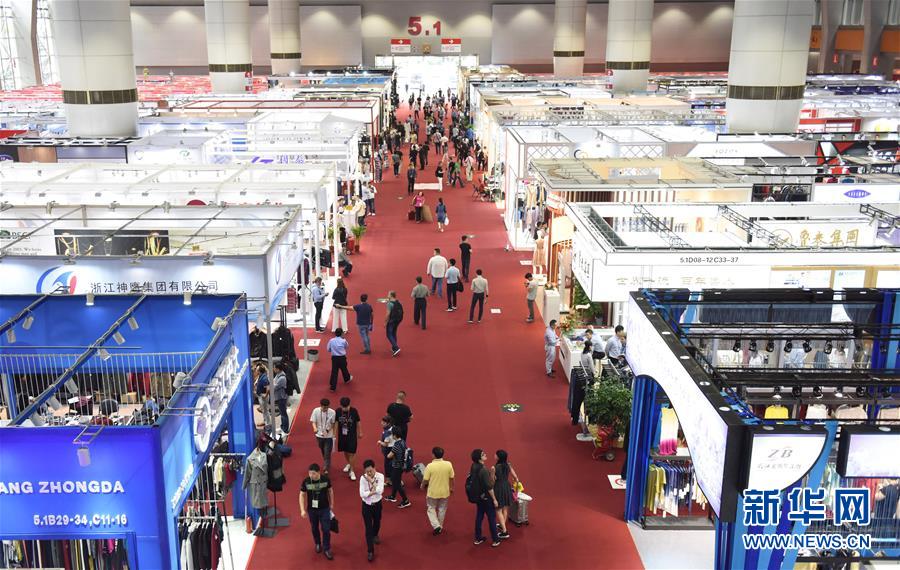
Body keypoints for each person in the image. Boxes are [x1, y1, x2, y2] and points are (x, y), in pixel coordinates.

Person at [300, 463, 334, 560]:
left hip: (324, 508)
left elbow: (330, 491)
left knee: (326, 529)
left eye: (313, 473)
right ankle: (318, 543)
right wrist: (302, 509)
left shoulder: (325, 480)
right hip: (312, 510)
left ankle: (327, 548)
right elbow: (302, 495)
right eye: (310, 473)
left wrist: (332, 503)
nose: (311, 475)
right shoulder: (306, 482)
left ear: (319, 472)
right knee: (314, 528)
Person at [469, 449, 501, 547]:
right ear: (479, 458)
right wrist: (494, 499)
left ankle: (478, 538)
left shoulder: (473, 466)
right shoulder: (483, 470)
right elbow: (489, 487)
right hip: (487, 497)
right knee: (491, 518)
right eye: (483, 454)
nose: (485, 454)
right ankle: (495, 539)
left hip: (478, 496)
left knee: (479, 516)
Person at [422, 446, 454, 536]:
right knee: (442, 509)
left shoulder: (430, 466)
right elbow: (452, 478)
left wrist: (422, 486)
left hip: (432, 492)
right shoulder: (448, 464)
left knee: (431, 508)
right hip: (445, 492)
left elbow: (425, 479)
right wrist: (452, 487)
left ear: (433, 455)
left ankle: (436, 526)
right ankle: (440, 526)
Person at [359, 459, 384, 562]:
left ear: (374, 468)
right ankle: (370, 551)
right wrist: (372, 492)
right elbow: (362, 494)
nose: (369, 473)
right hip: (366, 506)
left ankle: (375, 534)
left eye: (371, 471)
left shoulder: (380, 476)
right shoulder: (362, 478)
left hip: (377, 504)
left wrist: (371, 481)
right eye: (367, 471)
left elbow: (380, 491)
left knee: (377, 522)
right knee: (368, 528)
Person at [491, 450, 520, 539]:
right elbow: (515, 477)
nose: (494, 455)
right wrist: (516, 483)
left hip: (498, 488)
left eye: (496, 454)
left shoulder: (494, 467)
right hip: (507, 487)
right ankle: (502, 524)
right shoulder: (508, 465)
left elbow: (492, 480)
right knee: (505, 508)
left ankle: (504, 531)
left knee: (498, 509)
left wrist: (492, 474)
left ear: (498, 457)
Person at [384, 426, 412, 509]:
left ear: (395, 435)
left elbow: (389, 456)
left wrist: (388, 453)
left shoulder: (396, 445)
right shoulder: (403, 441)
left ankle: (405, 500)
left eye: (392, 434)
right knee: (395, 480)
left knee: (397, 483)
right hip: (401, 465)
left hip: (397, 466)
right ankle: (393, 496)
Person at [336, 397, 363, 481]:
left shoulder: (354, 411)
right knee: (345, 451)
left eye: (346, 407)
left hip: (352, 435)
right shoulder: (338, 411)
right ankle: (349, 463)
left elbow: (358, 421)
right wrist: (334, 434)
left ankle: (352, 471)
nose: (344, 408)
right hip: (342, 435)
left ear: (349, 405)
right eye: (343, 407)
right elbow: (336, 422)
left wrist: (360, 432)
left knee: (351, 453)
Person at [310, 399, 336, 474]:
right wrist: (315, 428)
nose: (326, 409)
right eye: (324, 408)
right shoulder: (315, 411)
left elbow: (333, 423)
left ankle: (326, 467)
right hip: (319, 435)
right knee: (322, 450)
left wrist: (328, 430)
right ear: (321, 406)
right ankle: (326, 461)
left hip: (328, 436)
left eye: (327, 407)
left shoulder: (332, 412)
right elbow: (313, 421)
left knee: (327, 451)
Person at [272, 362, 290, 434]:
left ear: (278, 369)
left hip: (282, 398)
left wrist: (272, 385)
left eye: (274, 368)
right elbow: (273, 383)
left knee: (283, 414)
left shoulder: (282, 378)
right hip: (279, 397)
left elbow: (275, 387)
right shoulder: (278, 375)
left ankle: (285, 429)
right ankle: (283, 426)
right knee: (282, 413)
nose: (273, 369)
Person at [385, 291, 403, 357]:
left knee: (389, 334)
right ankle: (394, 348)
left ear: (391, 295)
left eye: (388, 294)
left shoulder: (389, 304)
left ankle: (396, 347)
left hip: (392, 320)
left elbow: (388, 314)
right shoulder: (398, 302)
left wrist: (385, 322)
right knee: (394, 333)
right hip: (398, 320)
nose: (387, 295)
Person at [378, 416, 395, 483]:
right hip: (393, 449)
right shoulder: (393, 428)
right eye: (382, 421)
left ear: (388, 423)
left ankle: (388, 480)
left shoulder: (387, 432)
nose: (382, 423)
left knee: (387, 465)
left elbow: (386, 444)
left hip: (389, 450)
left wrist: (379, 442)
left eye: (384, 422)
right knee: (392, 465)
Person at [253, 362, 270, 429]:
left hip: (263, 397)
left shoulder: (264, 378)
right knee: (264, 410)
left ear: (259, 371)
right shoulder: (260, 376)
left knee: (266, 411)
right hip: (260, 396)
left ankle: (267, 424)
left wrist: (265, 395)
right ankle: (265, 421)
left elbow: (268, 388)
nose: (256, 371)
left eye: (257, 370)